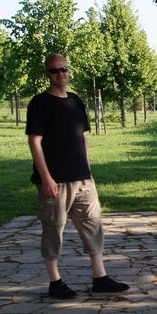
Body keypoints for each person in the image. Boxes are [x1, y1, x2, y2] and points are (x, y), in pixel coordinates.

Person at [26, 54, 129, 299]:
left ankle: (100, 277)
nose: (60, 74)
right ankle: (55, 281)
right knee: (54, 229)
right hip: (55, 180)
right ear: (47, 74)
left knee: (93, 225)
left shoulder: (75, 102)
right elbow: (35, 142)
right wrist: (46, 178)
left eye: (63, 69)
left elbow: (82, 138)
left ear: (69, 71)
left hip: (82, 178)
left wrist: (88, 171)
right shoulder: (39, 103)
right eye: (54, 71)